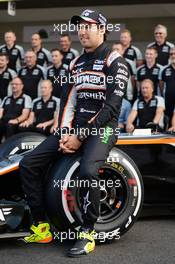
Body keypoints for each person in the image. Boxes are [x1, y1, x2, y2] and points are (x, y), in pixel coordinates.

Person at [19, 9, 129, 257]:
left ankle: (87, 231)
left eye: (87, 26)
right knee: (28, 164)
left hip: (103, 129)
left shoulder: (115, 61)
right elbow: (68, 101)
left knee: (89, 171)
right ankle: (41, 225)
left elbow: (112, 107)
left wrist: (80, 136)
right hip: (75, 129)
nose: (82, 30)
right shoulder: (75, 63)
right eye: (79, 26)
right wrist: (66, 133)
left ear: (102, 29)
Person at [0, 77, 32, 142]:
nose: (14, 86)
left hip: (17, 122)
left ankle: (8, 148)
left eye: (16, 84)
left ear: (22, 86)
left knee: (9, 126)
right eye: (12, 84)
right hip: (4, 121)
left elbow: (25, 115)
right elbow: (1, 112)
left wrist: (16, 120)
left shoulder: (26, 98)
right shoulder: (6, 98)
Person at [159, 47, 175, 122]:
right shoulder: (164, 69)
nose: (173, 56)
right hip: (169, 101)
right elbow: (161, 85)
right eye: (171, 54)